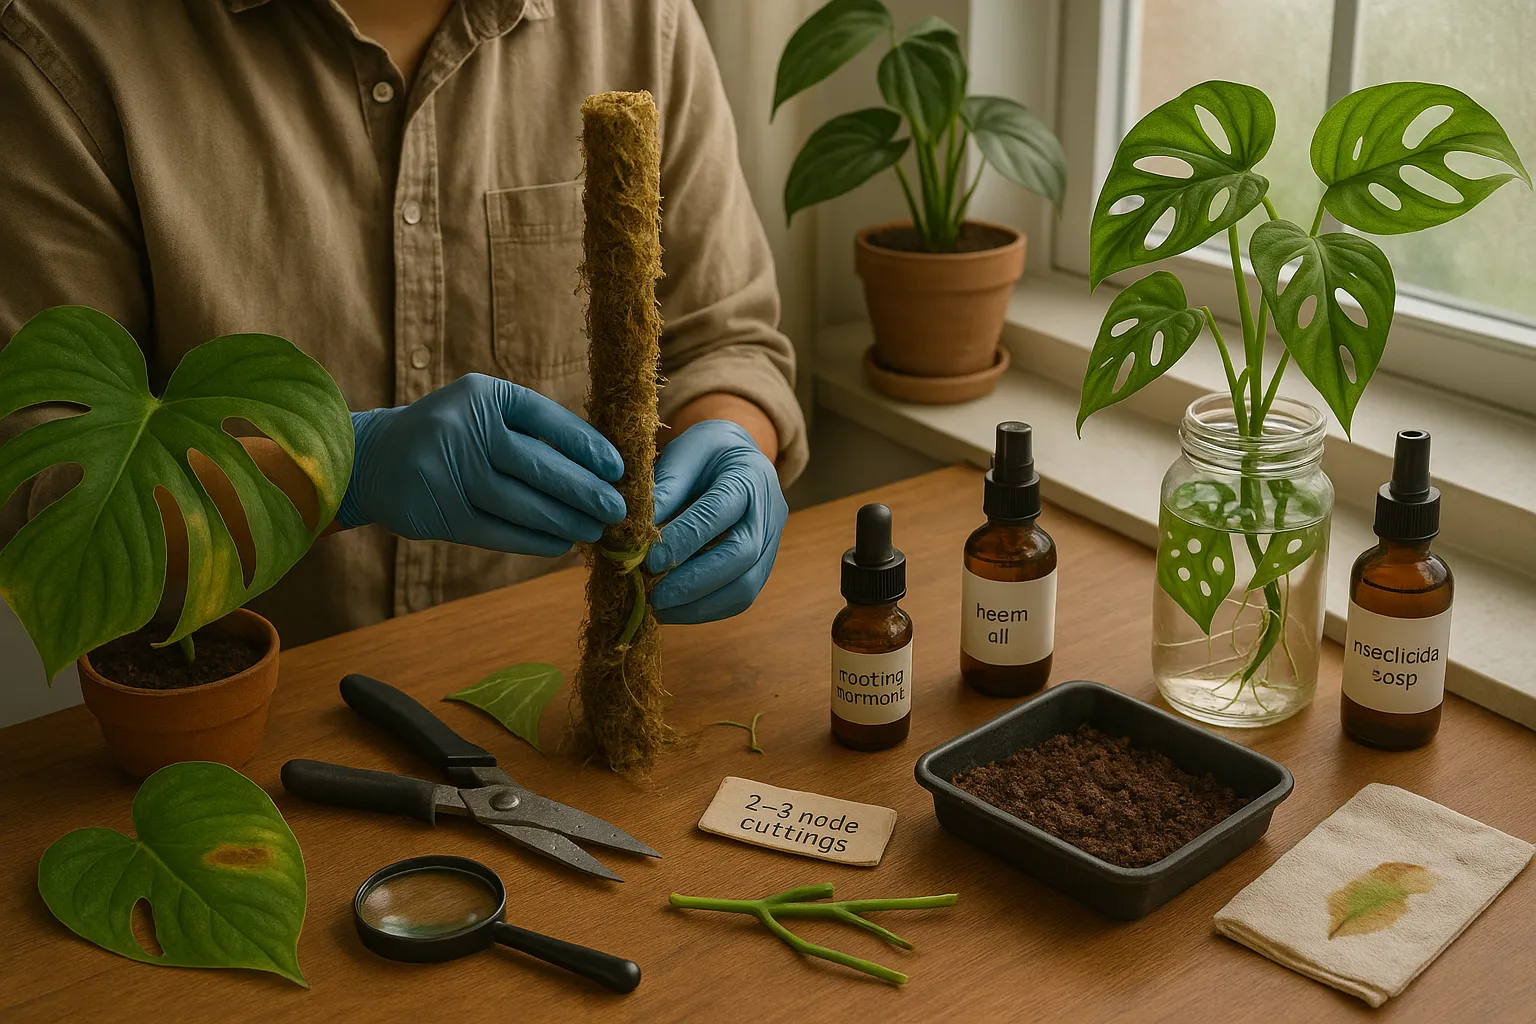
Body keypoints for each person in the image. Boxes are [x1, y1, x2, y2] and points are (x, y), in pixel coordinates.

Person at [0, 0, 806, 646]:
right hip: (243, 722)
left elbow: (722, 341)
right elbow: (52, 507)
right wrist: (340, 470)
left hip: (552, 695)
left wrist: (733, 449)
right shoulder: (66, 43)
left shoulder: (639, 19)